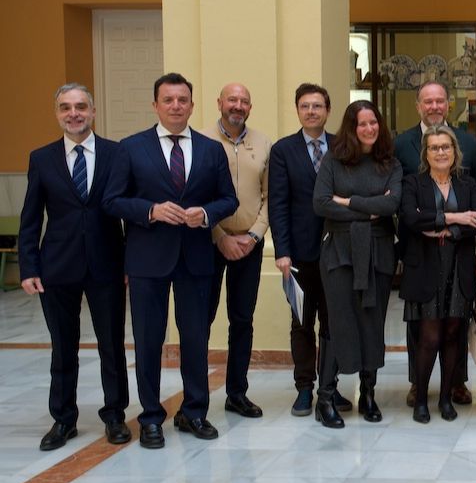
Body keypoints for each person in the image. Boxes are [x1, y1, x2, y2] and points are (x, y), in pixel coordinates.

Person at [103, 72, 238, 449]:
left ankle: (194, 411)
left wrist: (206, 214)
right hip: (147, 260)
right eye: (168, 100)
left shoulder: (211, 150)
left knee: (196, 338)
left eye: (182, 100)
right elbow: (112, 200)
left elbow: (229, 199)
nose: (176, 106)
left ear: (192, 106)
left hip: (195, 258)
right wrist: (150, 210)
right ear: (156, 105)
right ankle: (150, 418)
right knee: (148, 341)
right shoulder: (130, 148)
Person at [19, 83, 130, 450]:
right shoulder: (42, 158)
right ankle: (63, 419)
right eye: (66, 107)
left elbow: (127, 212)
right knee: (62, 347)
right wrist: (28, 266)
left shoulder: (117, 154)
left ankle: (114, 415)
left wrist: (130, 262)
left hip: (107, 265)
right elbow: (31, 217)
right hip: (57, 268)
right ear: (57, 114)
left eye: (81, 106)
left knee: (112, 345)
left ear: (93, 112)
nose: (74, 113)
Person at [394, 80, 476, 409]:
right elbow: (403, 207)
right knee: (423, 328)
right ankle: (418, 387)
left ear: (448, 104)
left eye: (440, 101)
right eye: (427, 101)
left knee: (454, 326)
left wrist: (456, 230)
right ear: (418, 106)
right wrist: (441, 221)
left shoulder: (470, 143)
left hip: (457, 255)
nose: (434, 107)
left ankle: (455, 383)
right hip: (419, 251)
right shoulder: (401, 143)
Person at [312, 100, 402, 427]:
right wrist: (370, 209)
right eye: (362, 124)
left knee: (371, 322)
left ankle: (368, 394)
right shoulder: (333, 162)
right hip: (338, 252)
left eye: (373, 122)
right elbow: (321, 204)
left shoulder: (389, 163)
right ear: (351, 127)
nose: (369, 129)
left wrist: (348, 202)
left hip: (378, 252)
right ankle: (325, 397)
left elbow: (392, 203)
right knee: (338, 324)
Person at [269, 83, 352, 416]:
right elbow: (278, 203)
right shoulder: (283, 150)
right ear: (297, 110)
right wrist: (282, 252)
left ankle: (329, 389)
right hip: (298, 255)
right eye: (305, 106)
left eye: (318, 106)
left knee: (333, 323)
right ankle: (304, 389)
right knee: (302, 323)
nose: (311, 111)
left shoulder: (343, 147)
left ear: (328, 110)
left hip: (336, 252)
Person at [201, 83, 270, 420]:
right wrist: (219, 236)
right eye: (232, 99)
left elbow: (270, 196)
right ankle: (196, 396)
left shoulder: (263, 143)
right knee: (201, 319)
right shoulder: (201, 142)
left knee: (242, 320)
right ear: (219, 103)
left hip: (249, 245)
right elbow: (195, 198)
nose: (237, 105)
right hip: (208, 243)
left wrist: (255, 235)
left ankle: (236, 393)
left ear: (250, 107)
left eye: (244, 100)